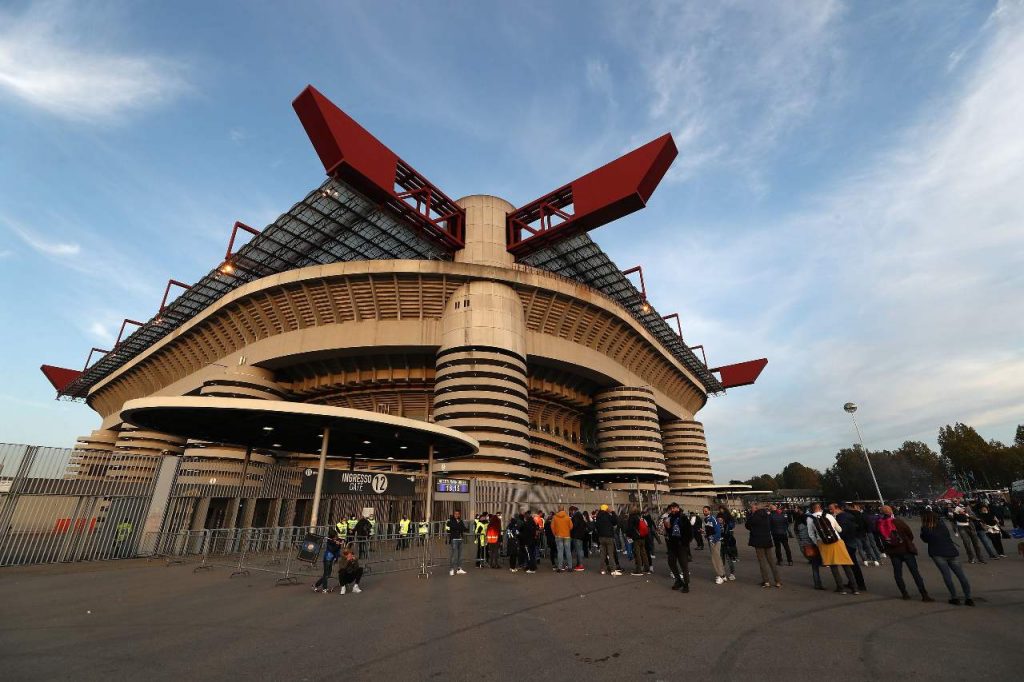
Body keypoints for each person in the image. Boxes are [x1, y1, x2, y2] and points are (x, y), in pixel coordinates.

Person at [876, 505, 933, 602]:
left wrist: (884, 549)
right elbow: (909, 533)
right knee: (915, 572)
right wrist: (907, 541)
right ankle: (924, 594)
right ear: (891, 512)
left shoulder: (879, 524)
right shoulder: (897, 521)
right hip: (905, 549)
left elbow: (878, 538)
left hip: (892, 551)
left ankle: (904, 594)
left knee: (898, 573)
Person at [920, 510, 973, 606]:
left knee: (947, 576)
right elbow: (947, 535)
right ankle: (968, 598)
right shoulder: (942, 525)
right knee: (961, 575)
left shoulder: (925, 528)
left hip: (937, 553)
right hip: (951, 551)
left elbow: (925, 539)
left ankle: (954, 597)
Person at [806, 502, 858, 594]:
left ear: (811, 509)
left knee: (833, 566)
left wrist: (817, 542)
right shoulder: (829, 516)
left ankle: (840, 587)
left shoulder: (810, 519)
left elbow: (811, 534)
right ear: (821, 508)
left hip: (823, 543)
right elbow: (839, 529)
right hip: (837, 541)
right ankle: (855, 588)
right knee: (846, 565)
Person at [832, 503, 867, 591]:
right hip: (852, 541)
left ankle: (858, 584)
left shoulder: (841, 517)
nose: (831, 511)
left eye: (832, 509)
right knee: (853, 564)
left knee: (851, 564)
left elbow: (842, 531)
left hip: (846, 542)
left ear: (837, 508)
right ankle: (855, 582)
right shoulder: (848, 515)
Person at [745, 503, 781, 588]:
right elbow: (771, 525)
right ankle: (778, 581)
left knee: (762, 562)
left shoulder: (754, 517)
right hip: (767, 539)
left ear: (756, 508)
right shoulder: (767, 515)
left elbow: (747, 525)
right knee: (771, 561)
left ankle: (766, 581)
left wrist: (753, 528)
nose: (751, 509)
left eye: (752, 508)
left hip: (758, 540)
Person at [660, 503, 692, 591]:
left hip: (681, 545)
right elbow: (668, 531)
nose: (673, 510)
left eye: (674, 508)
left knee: (683, 565)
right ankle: (678, 580)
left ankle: (686, 584)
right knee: (671, 562)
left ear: (678, 508)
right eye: (671, 508)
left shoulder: (683, 517)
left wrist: (684, 543)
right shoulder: (668, 518)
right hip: (672, 545)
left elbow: (689, 532)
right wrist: (667, 528)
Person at [794, 511, 825, 590]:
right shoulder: (809, 524)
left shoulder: (797, 526)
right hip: (814, 544)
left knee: (814, 567)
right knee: (819, 562)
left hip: (806, 546)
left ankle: (817, 583)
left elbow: (798, 539)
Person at [595, 504, 622, 575]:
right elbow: (615, 521)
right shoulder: (608, 516)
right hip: (609, 537)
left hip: (601, 537)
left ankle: (602, 570)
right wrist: (612, 512)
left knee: (603, 554)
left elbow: (596, 526)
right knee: (611, 554)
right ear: (607, 509)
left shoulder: (598, 517)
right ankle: (613, 570)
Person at [702, 506, 727, 584]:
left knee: (715, 559)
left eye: (706, 511)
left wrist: (713, 539)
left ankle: (720, 576)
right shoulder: (706, 520)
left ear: (709, 511)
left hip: (715, 541)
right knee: (717, 558)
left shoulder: (712, 519)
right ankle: (723, 575)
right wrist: (705, 533)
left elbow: (718, 531)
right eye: (703, 511)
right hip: (712, 540)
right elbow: (710, 531)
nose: (704, 512)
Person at [626, 506, 651, 575]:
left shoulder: (631, 517)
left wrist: (628, 536)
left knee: (637, 554)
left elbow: (630, 528)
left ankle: (638, 570)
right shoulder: (640, 517)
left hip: (636, 538)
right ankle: (647, 568)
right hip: (643, 537)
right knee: (644, 553)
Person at [717, 506, 737, 580]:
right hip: (720, 542)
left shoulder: (728, 524)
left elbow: (732, 527)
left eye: (721, 519)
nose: (719, 519)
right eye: (718, 519)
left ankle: (732, 573)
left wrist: (727, 526)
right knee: (721, 559)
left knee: (729, 559)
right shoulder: (718, 525)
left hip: (728, 542)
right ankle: (723, 574)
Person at [551, 506, 573, 572]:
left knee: (560, 552)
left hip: (558, 536)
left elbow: (552, 526)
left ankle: (559, 568)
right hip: (567, 536)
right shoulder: (567, 517)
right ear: (563, 509)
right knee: (568, 551)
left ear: (558, 509)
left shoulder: (555, 517)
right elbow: (571, 526)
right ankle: (570, 567)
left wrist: (555, 534)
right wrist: (567, 530)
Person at [446, 510, 468, 576]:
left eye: (458, 514)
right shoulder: (450, 520)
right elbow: (453, 527)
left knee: (460, 555)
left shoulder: (460, 521)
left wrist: (460, 528)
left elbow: (464, 528)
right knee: (454, 555)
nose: (457, 515)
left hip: (460, 539)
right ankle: (451, 569)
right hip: (454, 539)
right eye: (455, 514)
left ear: (459, 514)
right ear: (453, 514)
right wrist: (460, 528)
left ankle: (459, 569)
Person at [570, 506, 588, 571]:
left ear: (573, 510)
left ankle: (580, 565)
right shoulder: (580, 515)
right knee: (579, 550)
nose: (571, 513)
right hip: (580, 535)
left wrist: (570, 525)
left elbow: (575, 525)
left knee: (578, 550)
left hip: (577, 535)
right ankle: (579, 564)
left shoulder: (576, 515)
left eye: (570, 512)